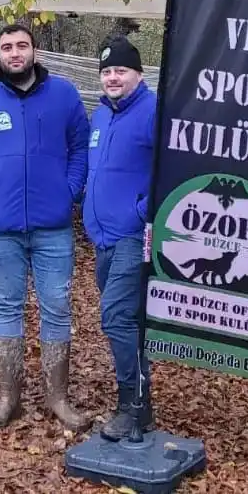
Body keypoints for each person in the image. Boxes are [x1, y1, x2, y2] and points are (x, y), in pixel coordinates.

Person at [0, 23, 90, 431]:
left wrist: (69, 191)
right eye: (7, 47)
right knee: (7, 308)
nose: (15, 53)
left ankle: (57, 398)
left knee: (56, 308)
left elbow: (81, 148)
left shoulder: (64, 94)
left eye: (22, 46)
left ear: (35, 51)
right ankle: (8, 398)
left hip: (53, 228)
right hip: (1, 227)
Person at [85, 36, 156, 440]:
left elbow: (172, 169)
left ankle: (130, 405)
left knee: (115, 317)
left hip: (133, 235)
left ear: (138, 75)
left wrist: (141, 211)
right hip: (102, 238)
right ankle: (142, 404)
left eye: (121, 71)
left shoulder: (153, 111)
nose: (112, 77)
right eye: (107, 71)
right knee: (127, 322)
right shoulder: (101, 114)